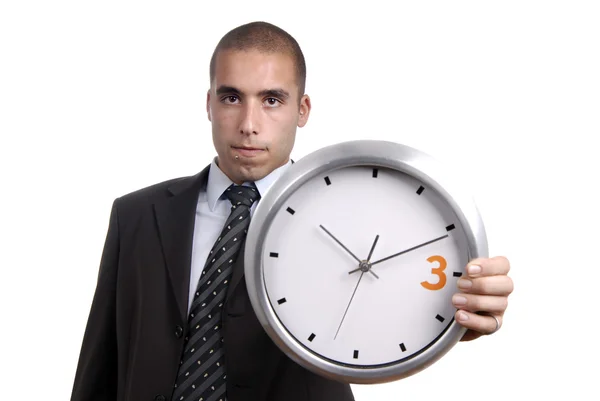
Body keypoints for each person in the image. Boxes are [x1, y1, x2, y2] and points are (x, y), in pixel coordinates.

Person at [70, 21, 514, 401]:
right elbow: (99, 366)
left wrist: (455, 320)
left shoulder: (356, 217)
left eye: (271, 100)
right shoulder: (136, 215)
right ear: (208, 103)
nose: (248, 123)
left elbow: (396, 297)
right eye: (230, 98)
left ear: (301, 110)